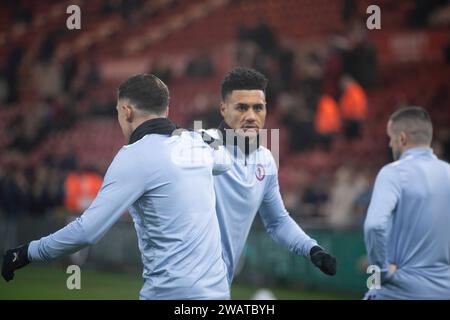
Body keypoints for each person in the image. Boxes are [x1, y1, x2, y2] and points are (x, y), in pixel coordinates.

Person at [1, 74, 230, 300]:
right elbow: (228, 160)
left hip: (170, 294)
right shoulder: (197, 143)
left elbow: (87, 232)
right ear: (167, 111)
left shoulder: (134, 156)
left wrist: (26, 252)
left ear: (127, 111)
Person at [201, 67, 337, 285]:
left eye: (258, 108)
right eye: (242, 108)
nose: (251, 116)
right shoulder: (203, 144)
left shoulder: (265, 159)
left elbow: (277, 221)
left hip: (219, 283)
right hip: (186, 283)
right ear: (223, 109)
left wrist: (312, 249)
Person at [364, 106, 450, 300]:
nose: (389, 144)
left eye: (391, 138)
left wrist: (380, 271)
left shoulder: (393, 172)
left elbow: (374, 226)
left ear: (402, 138)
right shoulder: (448, 172)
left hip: (399, 291)